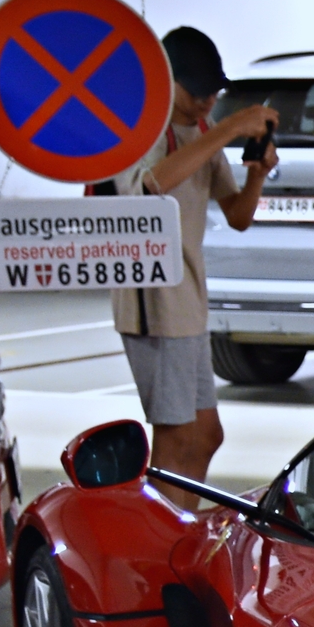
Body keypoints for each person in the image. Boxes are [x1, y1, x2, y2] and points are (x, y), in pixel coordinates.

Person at [110, 26, 277, 485]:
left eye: (215, 92)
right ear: (169, 80)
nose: (208, 100)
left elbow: (238, 215)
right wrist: (227, 128)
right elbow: (151, 184)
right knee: (175, 436)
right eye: (199, 91)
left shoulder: (201, 131)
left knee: (205, 434)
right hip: (155, 304)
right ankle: (163, 545)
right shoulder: (145, 129)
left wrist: (257, 175)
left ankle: (180, 536)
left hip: (188, 302)